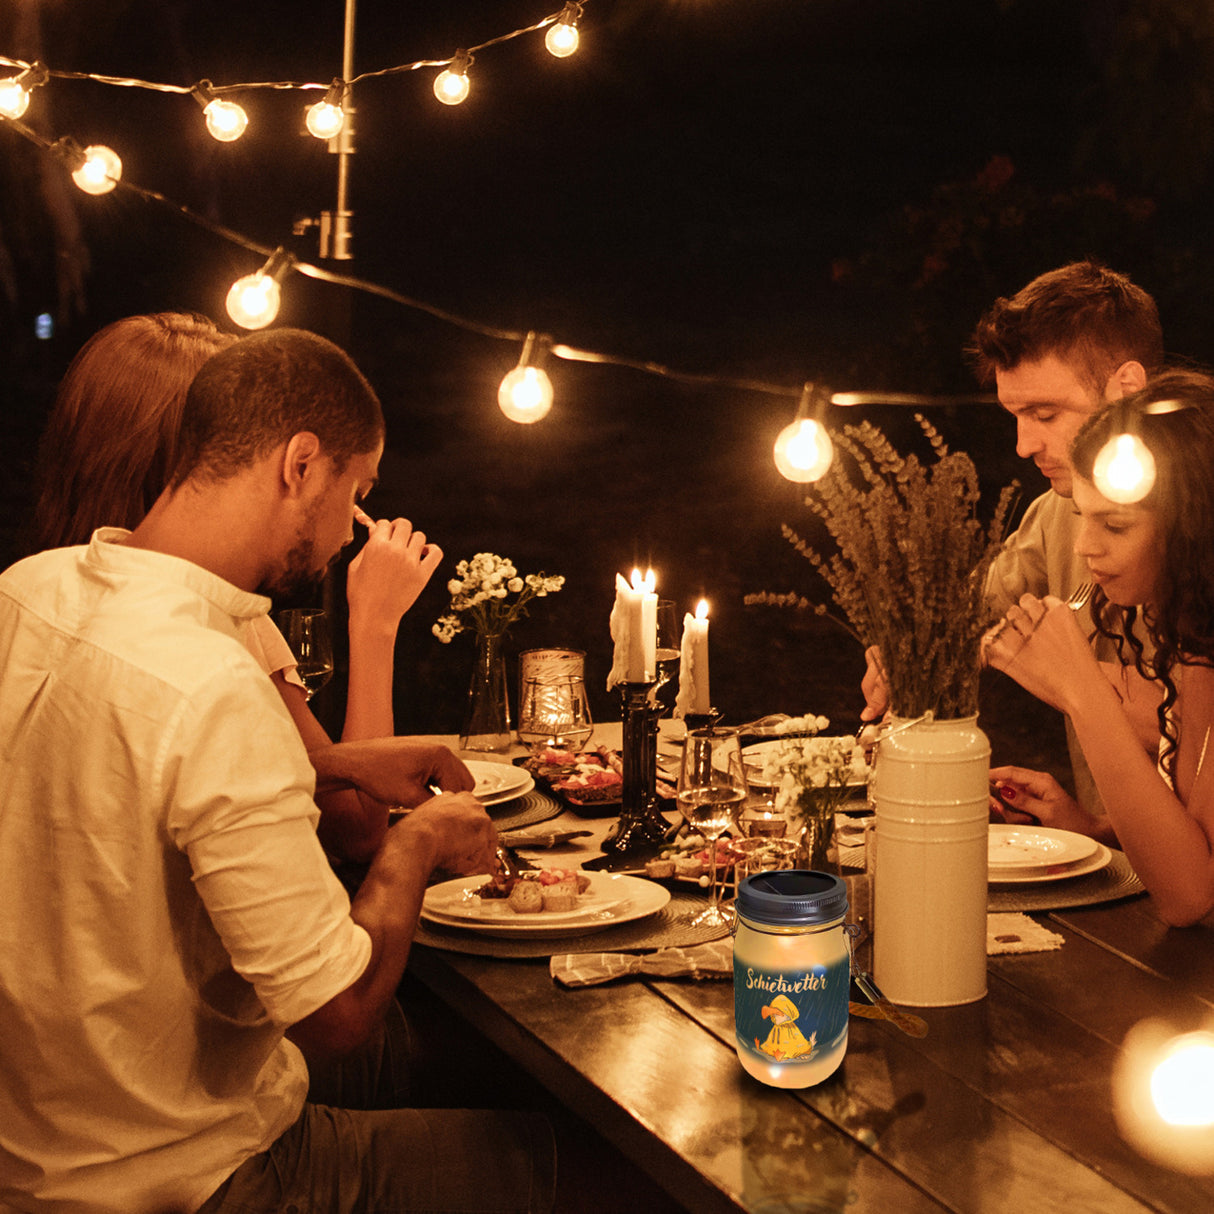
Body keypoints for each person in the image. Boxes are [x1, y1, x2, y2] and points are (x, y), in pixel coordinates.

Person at [0, 328, 554, 1213]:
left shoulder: (31, 589)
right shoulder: (212, 680)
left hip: (38, 1143)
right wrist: (418, 847)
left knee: (501, 1071)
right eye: (356, 493)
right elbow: (333, 1015)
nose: (348, 531)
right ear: (300, 464)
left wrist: (332, 762)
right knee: (596, 1166)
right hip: (186, 1176)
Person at [27, 312, 450, 861]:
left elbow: (141, 785)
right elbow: (352, 829)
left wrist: (337, 764)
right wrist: (375, 622)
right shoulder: (216, 633)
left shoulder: (38, 586)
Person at [860, 261, 1164, 811]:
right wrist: (905, 652)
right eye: (1014, 415)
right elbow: (965, 618)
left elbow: (1193, 731)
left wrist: (1069, 677)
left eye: (1045, 413)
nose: (1023, 444)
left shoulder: (1197, 515)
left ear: (1126, 388)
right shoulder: (1057, 512)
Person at [985, 370, 1214, 927]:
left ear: (1195, 526)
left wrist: (1082, 691)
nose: (1086, 547)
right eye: (1084, 519)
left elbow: (1192, 897)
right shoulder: (1195, 646)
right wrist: (1095, 828)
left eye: (1114, 524)